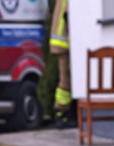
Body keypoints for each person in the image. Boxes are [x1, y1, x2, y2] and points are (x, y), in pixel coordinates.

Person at [50, 0, 74, 128]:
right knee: (65, 81)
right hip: (63, 44)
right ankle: (61, 113)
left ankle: (62, 113)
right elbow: (68, 16)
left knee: (65, 79)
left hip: (59, 43)